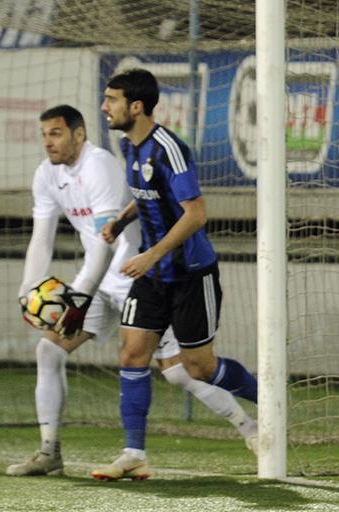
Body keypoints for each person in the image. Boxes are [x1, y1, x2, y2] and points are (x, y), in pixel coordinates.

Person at [7, 105, 258, 478]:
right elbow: (41, 239)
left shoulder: (99, 165)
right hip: (98, 280)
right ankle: (50, 452)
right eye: (44, 134)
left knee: (179, 371)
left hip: (134, 276)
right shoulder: (46, 174)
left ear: (79, 134)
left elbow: (106, 242)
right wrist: (27, 290)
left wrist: (79, 297)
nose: (48, 142)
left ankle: (251, 428)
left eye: (56, 133)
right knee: (49, 350)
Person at [96, 69, 260, 480]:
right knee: (132, 353)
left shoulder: (169, 148)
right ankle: (133, 452)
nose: (104, 107)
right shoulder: (128, 145)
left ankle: (272, 406)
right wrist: (121, 220)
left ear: (136, 106)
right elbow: (147, 195)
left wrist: (151, 254)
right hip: (152, 275)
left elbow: (196, 213)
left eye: (112, 99)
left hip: (190, 273)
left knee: (198, 367)